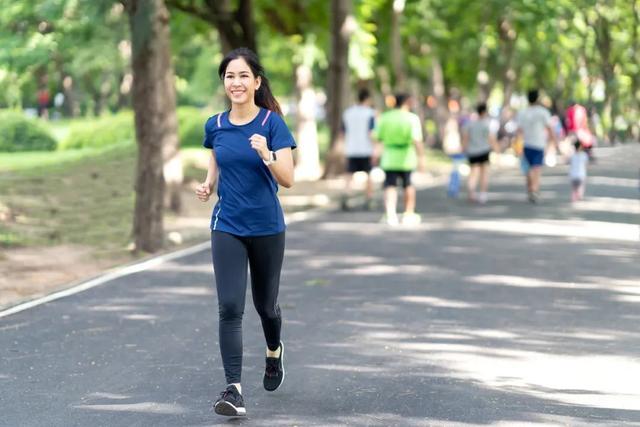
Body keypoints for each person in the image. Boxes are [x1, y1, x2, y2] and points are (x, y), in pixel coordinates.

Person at [195, 47, 296, 417]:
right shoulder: (216, 125)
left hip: (267, 226)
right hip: (228, 225)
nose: (235, 82)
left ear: (256, 82)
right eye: (229, 76)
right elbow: (217, 155)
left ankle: (274, 351)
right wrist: (208, 184)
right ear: (224, 83)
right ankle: (233, 389)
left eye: (242, 76)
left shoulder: (272, 125)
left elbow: (288, 180)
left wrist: (267, 155)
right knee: (230, 307)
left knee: (265, 306)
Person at [373, 93, 426, 225]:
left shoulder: (385, 117)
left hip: (389, 156)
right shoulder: (412, 118)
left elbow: (378, 139)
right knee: (408, 185)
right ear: (407, 102)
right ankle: (408, 213)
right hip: (406, 156)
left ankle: (390, 214)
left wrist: (375, 155)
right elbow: (417, 141)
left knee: (390, 185)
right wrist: (421, 158)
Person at [516, 89, 557, 203]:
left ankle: (531, 189)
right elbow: (550, 129)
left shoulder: (522, 113)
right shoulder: (543, 112)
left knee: (529, 168)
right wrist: (554, 142)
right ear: (537, 98)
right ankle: (534, 189)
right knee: (537, 168)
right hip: (539, 144)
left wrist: (516, 145)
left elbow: (519, 131)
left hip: (526, 144)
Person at [340, 88, 376, 210]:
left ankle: (346, 196)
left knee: (349, 175)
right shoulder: (370, 113)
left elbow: (343, 132)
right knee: (369, 174)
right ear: (367, 99)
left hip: (351, 148)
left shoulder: (348, 113)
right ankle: (369, 199)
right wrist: (375, 147)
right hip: (366, 148)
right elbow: (371, 132)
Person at [462, 103, 499, 204]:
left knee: (473, 173)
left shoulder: (469, 124)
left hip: (472, 151)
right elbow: (491, 138)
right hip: (484, 151)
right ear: (484, 112)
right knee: (484, 173)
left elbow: (465, 138)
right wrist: (496, 149)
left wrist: (464, 149)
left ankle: (471, 193)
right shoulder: (487, 124)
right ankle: (483, 194)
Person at [442, 114, 464, 198]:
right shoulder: (453, 129)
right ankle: (453, 189)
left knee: (455, 170)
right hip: (455, 149)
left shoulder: (450, 128)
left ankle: (453, 188)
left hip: (453, 149)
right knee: (455, 170)